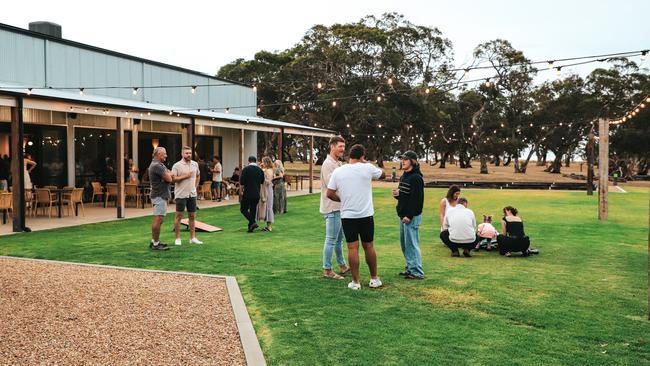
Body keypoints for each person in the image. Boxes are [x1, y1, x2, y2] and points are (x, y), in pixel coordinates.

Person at [327, 144, 385, 290]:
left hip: (347, 215)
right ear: (362, 157)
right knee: (369, 246)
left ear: (349, 156)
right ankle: (374, 279)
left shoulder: (338, 171)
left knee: (352, 248)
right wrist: (367, 163)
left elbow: (329, 193)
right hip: (366, 215)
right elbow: (383, 174)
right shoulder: (367, 168)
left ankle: (356, 282)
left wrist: (342, 199)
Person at [148, 146, 192, 251]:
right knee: (158, 219)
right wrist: (168, 174)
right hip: (159, 195)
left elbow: (169, 175)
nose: (166, 156)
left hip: (160, 195)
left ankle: (155, 241)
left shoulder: (159, 165)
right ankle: (155, 243)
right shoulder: (157, 166)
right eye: (164, 154)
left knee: (159, 219)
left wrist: (168, 174)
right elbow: (169, 178)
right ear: (158, 154)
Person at [320, 136, 349, 280]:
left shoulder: (337, 164)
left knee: (339, 240)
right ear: (332, 146)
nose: (343, 149)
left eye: (344, 146)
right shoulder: (328, 164)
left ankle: (343, 266)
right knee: (331, 239)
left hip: (339, 207)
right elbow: (333, 186)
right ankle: (327, 269)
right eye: (340, 146)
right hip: (332, 207)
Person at [393, 151, 425, 280]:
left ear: (413, 161)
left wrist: (409, 216)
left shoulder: (416, 178)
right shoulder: (404, 176)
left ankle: (417, 272)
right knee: (405, 245)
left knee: (412, 244)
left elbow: (417, 200)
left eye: (406, 159)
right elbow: (406, 196)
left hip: (411, 217)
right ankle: (410, 268)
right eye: (402, 159)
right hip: (403, 216)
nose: (403, 161)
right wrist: (398, 195)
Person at [172, 146, 203, 246]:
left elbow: (198, 175)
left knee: (192, 216)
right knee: (179, 217)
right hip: (181, 194)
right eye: (186, 153)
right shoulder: (177, 165)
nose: (188, 155)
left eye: (190, 153)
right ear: (182, 154)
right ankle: (178, 238)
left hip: (192, 195)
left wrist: (195, 186)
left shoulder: (195, 164)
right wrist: (186, 176)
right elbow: (173, 179)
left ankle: (193, 238)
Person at [240, 156, 265, 232]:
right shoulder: (260, 170)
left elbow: (242, 181)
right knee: (253, 210)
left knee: (243, 209)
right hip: (257, 193)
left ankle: (253, 222)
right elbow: (262, 181)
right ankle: (250, 228)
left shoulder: (246, 169)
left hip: (248, 193)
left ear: (249, 161)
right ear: (255, 161)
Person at [256, 157, 275, 232]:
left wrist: (261, 178)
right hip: (265, 189)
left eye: (263, 162)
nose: (262, 163)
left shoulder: (269, 171)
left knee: (268, 207)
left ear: (266, 163)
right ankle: (268, 226)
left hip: (267, 190)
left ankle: (269, 226)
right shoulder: (266, 170)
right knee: (266, 206)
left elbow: (268, 181)